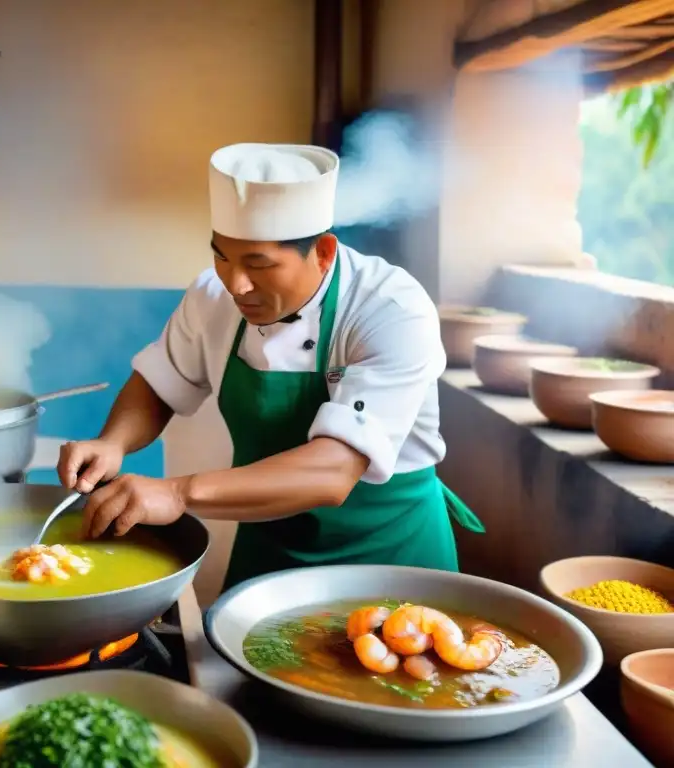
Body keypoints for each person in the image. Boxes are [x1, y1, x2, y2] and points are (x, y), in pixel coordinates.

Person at [56, 142, 484, 591]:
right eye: (222, 256)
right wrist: (112, 442)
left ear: (322, 252)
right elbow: (160, 382)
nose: (236, 284)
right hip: (269, 546)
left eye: (259, 264)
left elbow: (336, 470)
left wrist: (177, 492)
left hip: (390, 556)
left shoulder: (389, 308)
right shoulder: (212, 295)